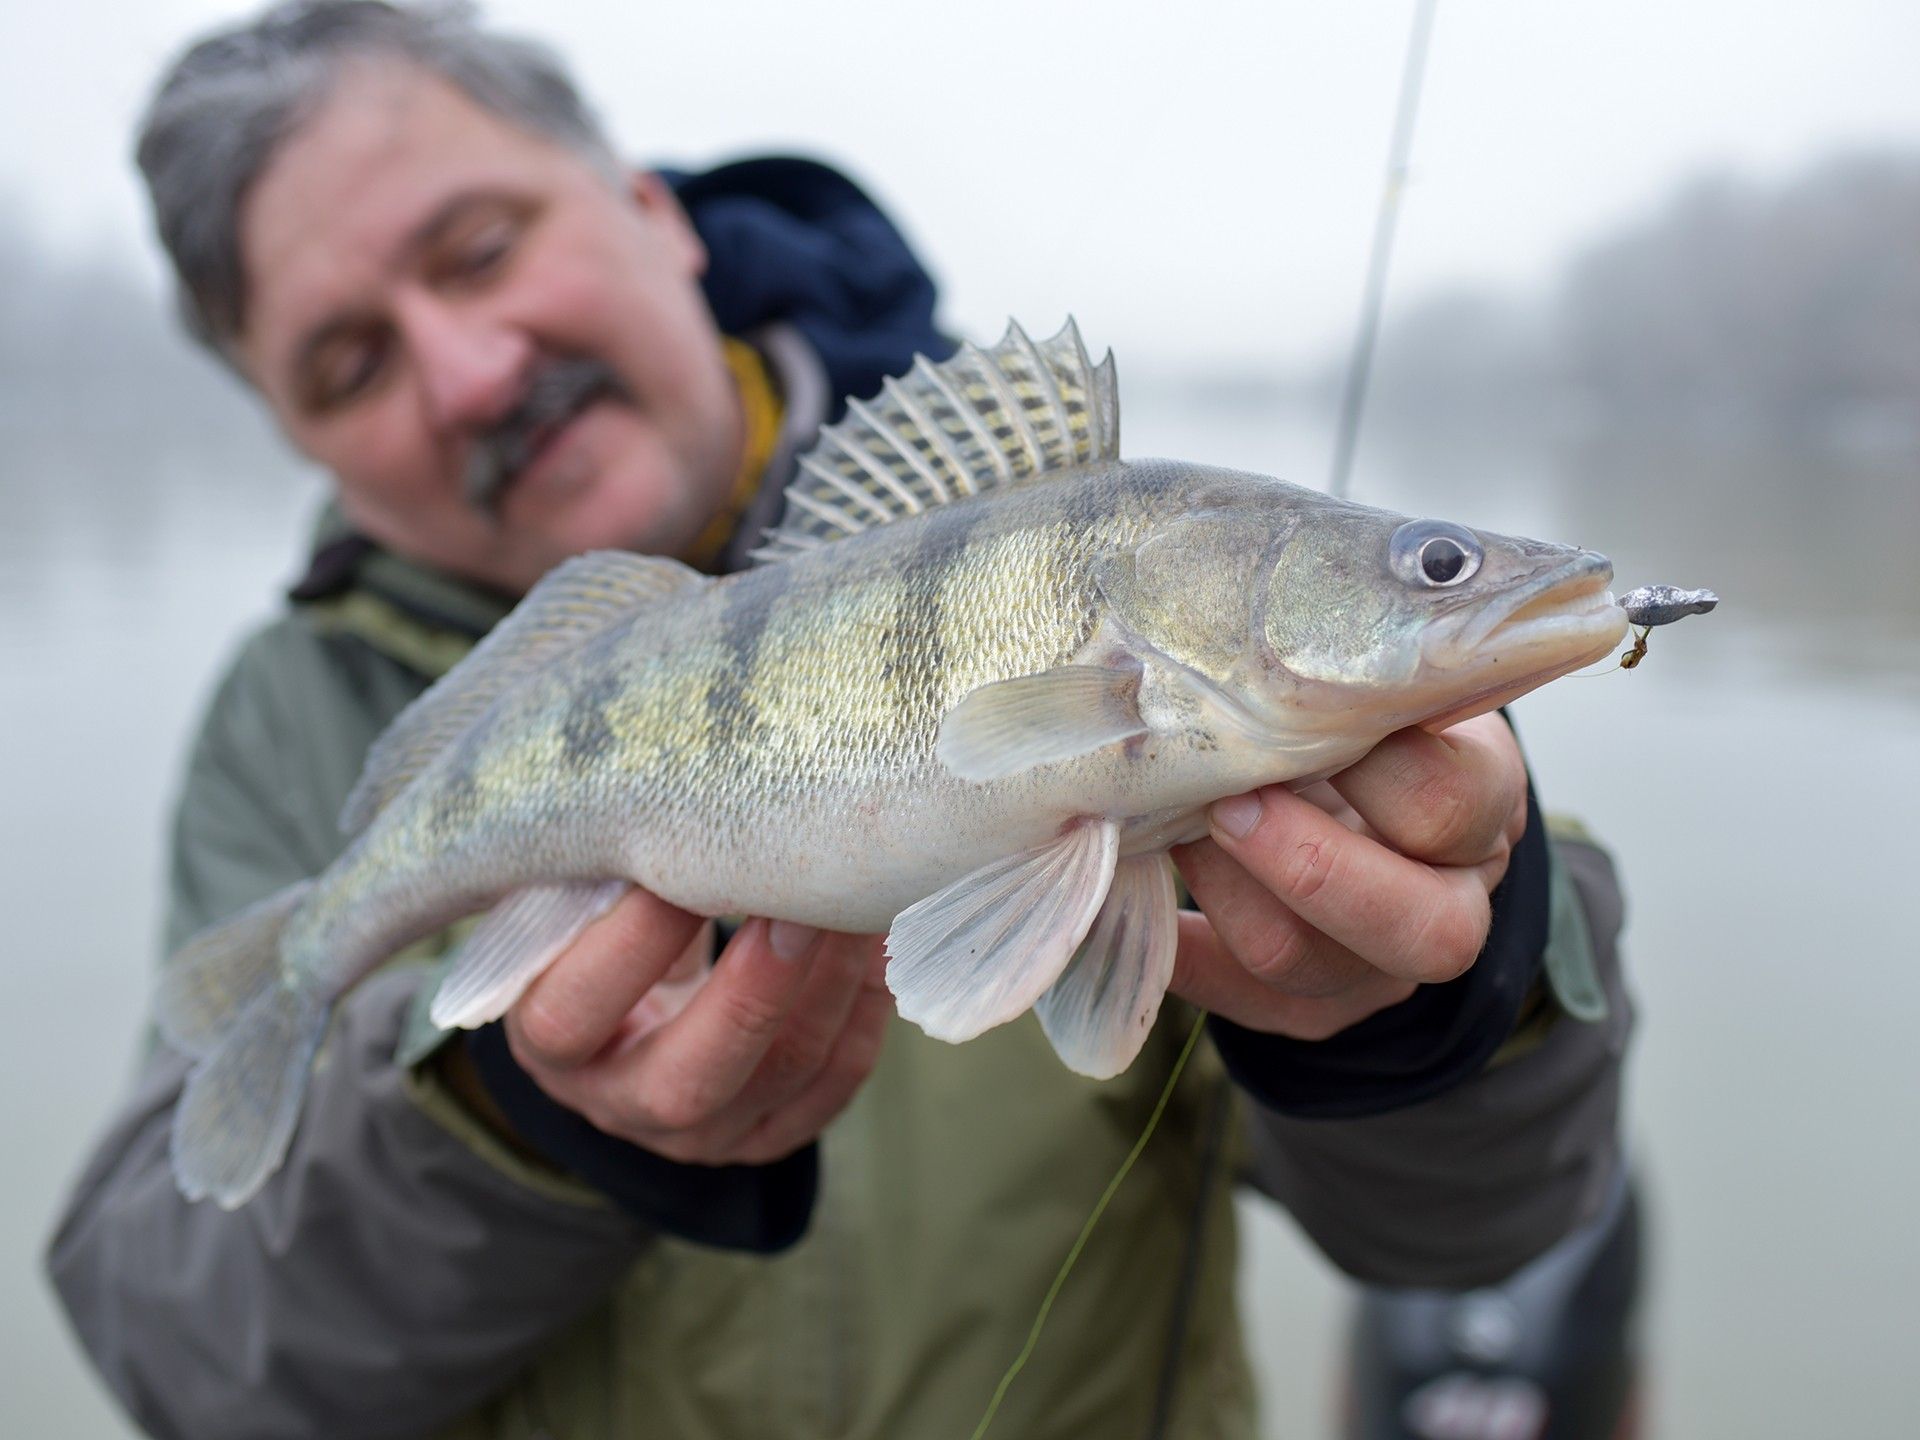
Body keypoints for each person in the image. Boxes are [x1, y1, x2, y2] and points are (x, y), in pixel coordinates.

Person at [44, 5, 1633, 1438]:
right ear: (285, 427)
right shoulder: (293, 705)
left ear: (650, 206)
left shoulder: (1169, 623)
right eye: (347, 361)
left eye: (476, 249)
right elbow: (181, 1355)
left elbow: (1480, 1230)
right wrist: (504, 1120)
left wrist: (1452, 993)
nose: (467, 372)